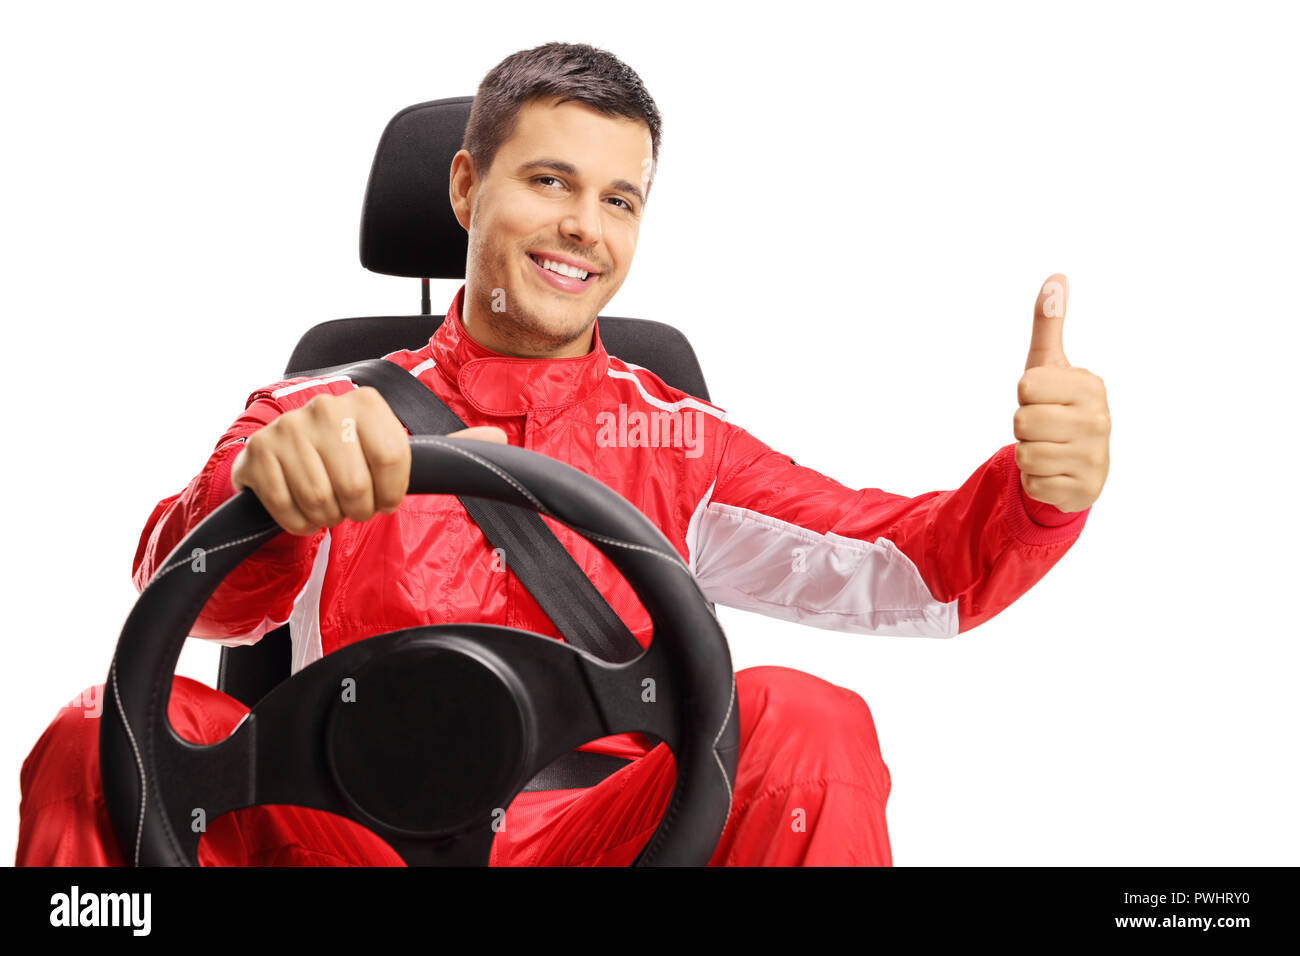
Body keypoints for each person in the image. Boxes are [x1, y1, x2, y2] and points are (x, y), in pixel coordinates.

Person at [16, 42, 1110, 867]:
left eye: (618, 199)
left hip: (598, 842)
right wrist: (265, 490)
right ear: (464, 190)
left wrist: (1032, 499)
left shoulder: (674, 434)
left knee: (811, 721)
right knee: (87, 729)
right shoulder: (316, 408)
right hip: (344, 830)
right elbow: (188, 598)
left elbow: (909, 564)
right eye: (549, 181)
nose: (584, 223)